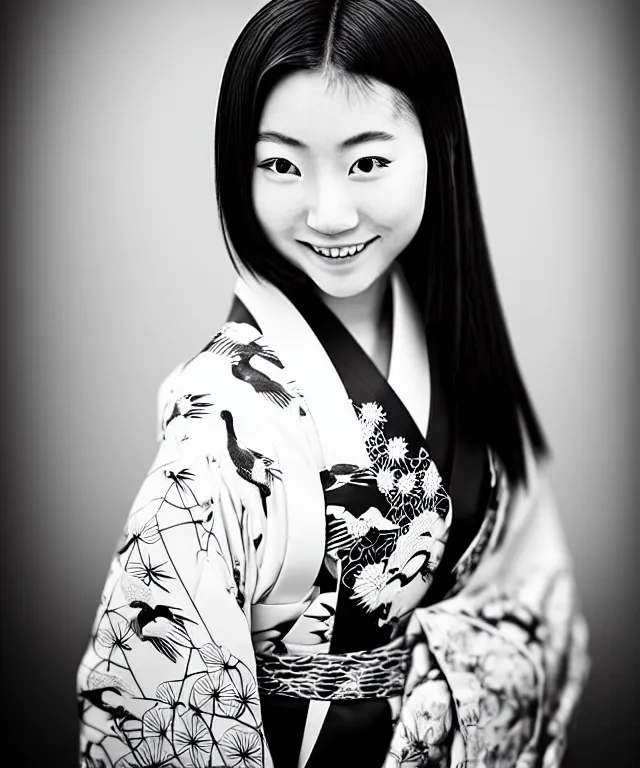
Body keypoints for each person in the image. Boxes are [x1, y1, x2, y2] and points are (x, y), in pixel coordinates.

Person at [76, 1, 590, 766]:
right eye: (282, 164)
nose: (328, 211)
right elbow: (159, 708)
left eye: (368, 161)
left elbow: (535, 589)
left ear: (439, 149)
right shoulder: (225, 424)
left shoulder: (457, 349)